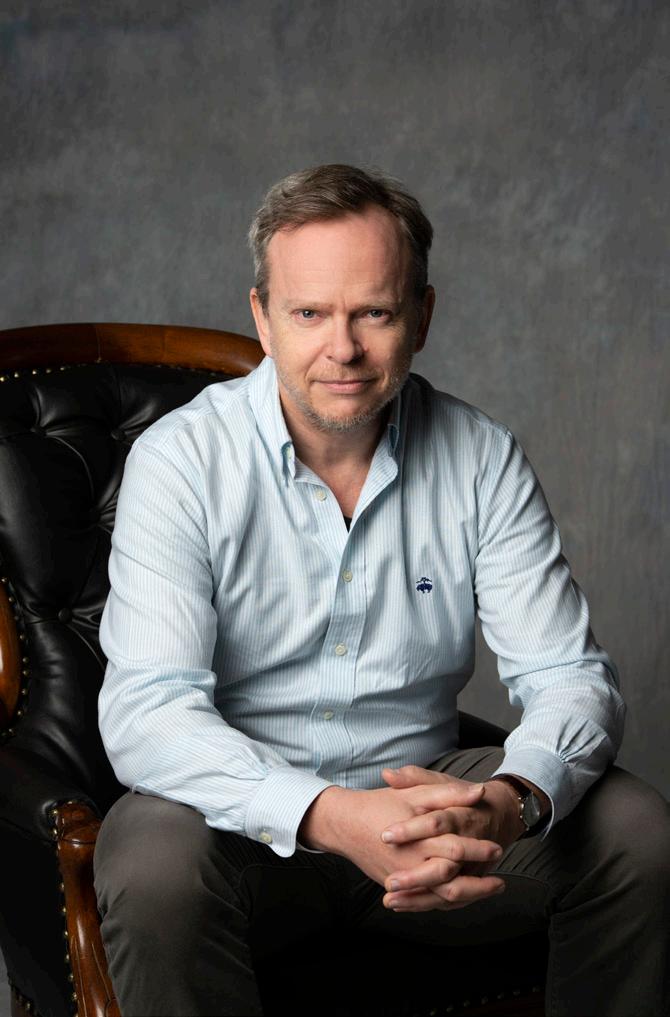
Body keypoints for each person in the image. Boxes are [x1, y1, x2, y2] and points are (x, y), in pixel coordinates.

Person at [93, 164, 669, 1017]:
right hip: (239, 828)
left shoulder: (481, 458)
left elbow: (568, 676)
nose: (343, 348)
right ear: (262, 317)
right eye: (310, 313)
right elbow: (149, 710)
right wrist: (329, 814)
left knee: (636, 833)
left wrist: (508, 803)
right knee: (151, 864)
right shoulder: (181, 463)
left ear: (422, 317)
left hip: (429, 806)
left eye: (375, 312)